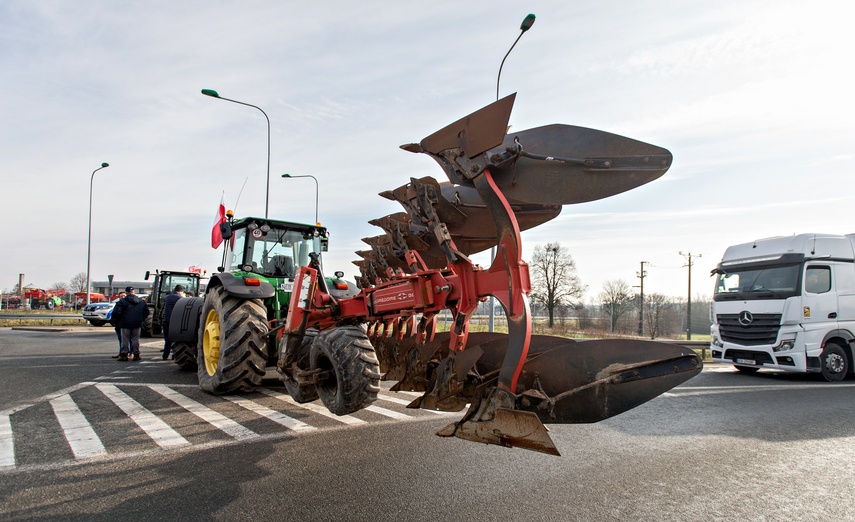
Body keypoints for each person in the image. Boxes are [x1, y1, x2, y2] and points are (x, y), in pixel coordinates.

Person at [111, 286, 150, 361]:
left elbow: (116, 313)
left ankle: (124, 354)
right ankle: (136, 354)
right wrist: (141, 319)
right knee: (135, 339)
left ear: (126, 293)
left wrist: (119, 320)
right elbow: (146, 312)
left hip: (125, 323)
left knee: (125, 339)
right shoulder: (141, 302)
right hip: (137, 323)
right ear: (134, 292)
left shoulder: (122, 302)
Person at [160, 284, 185, 360]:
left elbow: (163, 309)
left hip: (166, 320)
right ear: (180, 291)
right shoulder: (180, 298)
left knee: (167, 339)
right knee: (175, 339)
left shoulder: (167, 298)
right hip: (175, 321)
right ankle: (175, 355)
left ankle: (165, 355)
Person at [109, 291, 127, 358]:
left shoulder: (128, 304)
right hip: (118, 324)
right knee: (120, 339)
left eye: (124, 296)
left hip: (125, 324)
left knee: (128, 339)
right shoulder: (118, 304)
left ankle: (129, 352)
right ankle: (121, 352)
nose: (122, 297)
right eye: (121, 296)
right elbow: (114, 313)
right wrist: (113, 321)